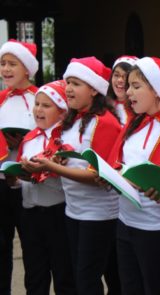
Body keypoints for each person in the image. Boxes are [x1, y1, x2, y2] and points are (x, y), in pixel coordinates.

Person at [29, 57, 121, 295]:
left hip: (98, 214)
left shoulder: (104, 122)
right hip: (74, 210)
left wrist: (52, 167)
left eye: (76, 83)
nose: (68, 88)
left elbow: (98, 176)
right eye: (68, 82)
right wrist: (60, 159)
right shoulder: (72, 120)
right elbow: (76, 157)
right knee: (79, 277)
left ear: (93, 89)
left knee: (87, 279)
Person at [108, 57, 160, 295]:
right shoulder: (136, 120)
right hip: (125, 220)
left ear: (156, 90)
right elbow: (117, 160)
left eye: (136, 86)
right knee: (130, 288)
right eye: (129, 85)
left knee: (157, 288)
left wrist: (125, 178)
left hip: (156, 226)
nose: (128, 91)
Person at [18, 80, 75, 295]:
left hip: (56, 214)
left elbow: (65, 176)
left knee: (63, 274)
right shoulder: (29, 138)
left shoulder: (63, 140)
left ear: (61, 112)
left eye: (46, 105)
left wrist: (46, 171)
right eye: (37, 104)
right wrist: (17, 178)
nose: (38, 110)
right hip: (30, 214)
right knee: (34, 274)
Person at [0, 39, 39, 295]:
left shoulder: (41, 99)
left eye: (12, 63)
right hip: (2, 183)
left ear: (27, 68)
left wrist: (24, 142)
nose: (5, 69)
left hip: (30, 183)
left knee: (34, 253)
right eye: (3, 63)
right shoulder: (1, 99)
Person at [106, 55, 137, 126]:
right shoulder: (102, 106)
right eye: (116, 75)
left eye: (125, 76)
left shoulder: (141, 111)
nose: (120, 80)